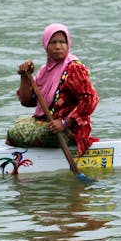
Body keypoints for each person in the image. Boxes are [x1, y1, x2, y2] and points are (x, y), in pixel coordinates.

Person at [7, 23, 99, 156]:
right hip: (50, 125)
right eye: (53, 42)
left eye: (62, 42)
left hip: (69, 131)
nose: (58, 46)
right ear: (46, 45)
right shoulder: (45, 71)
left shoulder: (73, 68)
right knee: (17, 123)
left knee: (15, 131)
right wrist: (25, 76)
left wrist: (65, 122)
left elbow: (90, 99)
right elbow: (28, 101)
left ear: (68, 44)